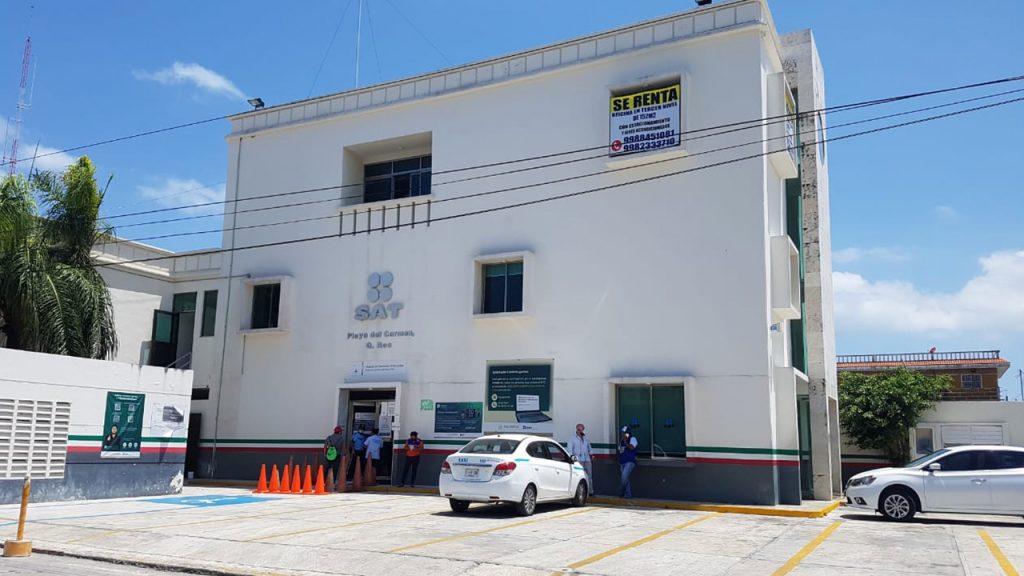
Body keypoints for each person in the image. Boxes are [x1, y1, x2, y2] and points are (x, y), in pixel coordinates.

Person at [567, 423, 594, 495]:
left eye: (581, 429)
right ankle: (580, 493)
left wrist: (592, 455)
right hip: (578, 460)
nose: (580, 431)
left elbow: (589, 448)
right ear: (576, 429)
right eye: (579, 429)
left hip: (587, 460)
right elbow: (570, 451)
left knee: (589, 476)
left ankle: (590, 492)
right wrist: (573, 460)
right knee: (579, 476)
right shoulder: (572, 439)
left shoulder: (586, 439)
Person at [618, 426, 638, 499]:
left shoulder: (633, 439)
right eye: (622, 433)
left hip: (629, 462)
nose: (622, 434)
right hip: (622, 462)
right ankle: (628, 495)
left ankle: (621, 492)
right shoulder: (621, 441)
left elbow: (632, 447)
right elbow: (620, 450)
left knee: (624, 477)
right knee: (625, 478)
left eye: (624, 433)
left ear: (628, 433)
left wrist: (625, 442)